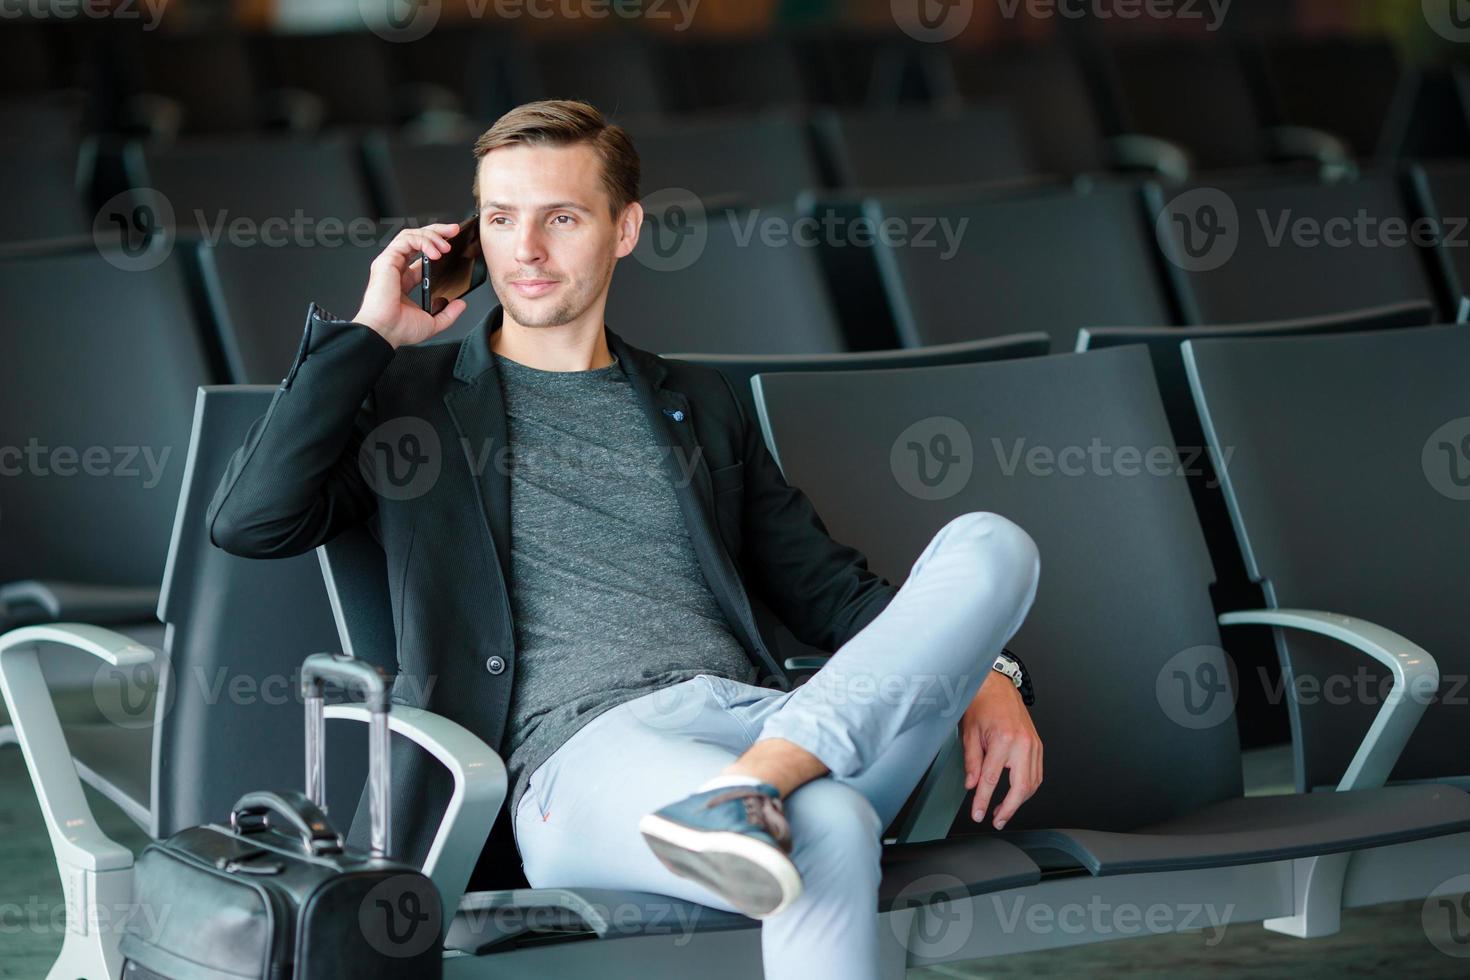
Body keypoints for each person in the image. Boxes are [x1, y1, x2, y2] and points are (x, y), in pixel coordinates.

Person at [207, 99, 1043, 979]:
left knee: (992, 542)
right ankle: (758, 792)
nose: (525, 250)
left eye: (560, 217)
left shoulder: (699, 403)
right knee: (829, 823)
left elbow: (834, 595)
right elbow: (251, 520)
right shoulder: (410, 402)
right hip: (585, 765)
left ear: (625, 228)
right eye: (499, 220)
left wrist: (991, 671)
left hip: (766, 718)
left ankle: (757, 782)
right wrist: (373, 334)